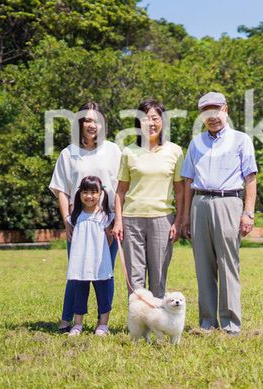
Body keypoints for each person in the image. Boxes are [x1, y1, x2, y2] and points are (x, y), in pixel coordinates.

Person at [176, 92, 258, 335]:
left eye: (216, 110)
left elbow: (250, 178)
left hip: (229, 202)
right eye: (206, 112)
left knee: (228, 264)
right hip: (200, 202)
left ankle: (231, 324)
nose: (212, 116)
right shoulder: (196, 143)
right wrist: (187, 217)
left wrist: (248, 213)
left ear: (226, 110)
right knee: (203, 266)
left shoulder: (241, 140)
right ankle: (207, 323)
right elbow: (188, 179)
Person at [49, 101, 121, 333]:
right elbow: (61, 189)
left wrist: (117, 221)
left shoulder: (113, 151)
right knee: (77, 272)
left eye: (96, 120)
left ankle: (103, 323)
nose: (92, 124)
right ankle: (68, 319)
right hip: (78, 223)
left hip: (106, 223)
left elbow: (121, 188)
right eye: (87, 120)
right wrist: (66, 219)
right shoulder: (69, 153)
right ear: (80, 123)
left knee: (104, 274)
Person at [112, 99, 185, 299]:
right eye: (145, 119)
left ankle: (157, 322)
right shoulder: (128, 152)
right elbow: (120, 191)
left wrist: (178, 221)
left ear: (163, 121)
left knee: (158, 276)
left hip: (162, 219)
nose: (151, 123)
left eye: (155, 118)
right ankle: (138, 324)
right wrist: (118, 221)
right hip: (132, 220)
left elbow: (180, 191)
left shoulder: (175, 151)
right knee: (135, 277)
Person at [65, 176, 115, 336]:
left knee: (103, 294)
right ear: (79, 194)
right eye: (85, 192)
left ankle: (103, 325)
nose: (89, 196)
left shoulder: (105, 216)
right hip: (80, 264)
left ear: (101, 194)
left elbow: (109, 239)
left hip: (100, 262)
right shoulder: (75, 216)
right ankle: (77, 324)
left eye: (94, 192)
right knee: (80, 293)